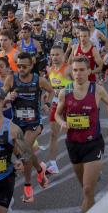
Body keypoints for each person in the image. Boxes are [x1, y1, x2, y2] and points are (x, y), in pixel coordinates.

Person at [55, 57, 108, 213]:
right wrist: (62, 122)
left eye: (82, 70)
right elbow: (57, 114)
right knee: (85, 187)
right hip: (73, 144)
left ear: (89, 71)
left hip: (93, 144)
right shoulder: (65, 92)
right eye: (75, 70)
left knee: (88, 190)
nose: (78, 74)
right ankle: (91, 205)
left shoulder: (97, 90)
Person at [3, 52, 53, 203]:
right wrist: (7, 97)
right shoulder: (12, 79)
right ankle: (40, 170)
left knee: (24, 150)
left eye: (24, 66)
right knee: (26, 152)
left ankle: (28, 187)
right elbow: (1, 96)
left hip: (34, 124)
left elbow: (51, 91)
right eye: (18, 66)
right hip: (18, 124)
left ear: (31, 66)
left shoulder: (39, 80)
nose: (21, 69)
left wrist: (47, 103)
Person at [46, 44, 72, 172]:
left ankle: (88, 159)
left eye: (57, 54)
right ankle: (53, 164)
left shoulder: (69, 69)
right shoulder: (50, 70)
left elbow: (81, 83)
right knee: (53, 134)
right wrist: (47, 100)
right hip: (56, 104)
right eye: (52, 55)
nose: (55, 57)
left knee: (75, 133)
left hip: (70, 104)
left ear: (63, 55)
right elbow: (51, 88)